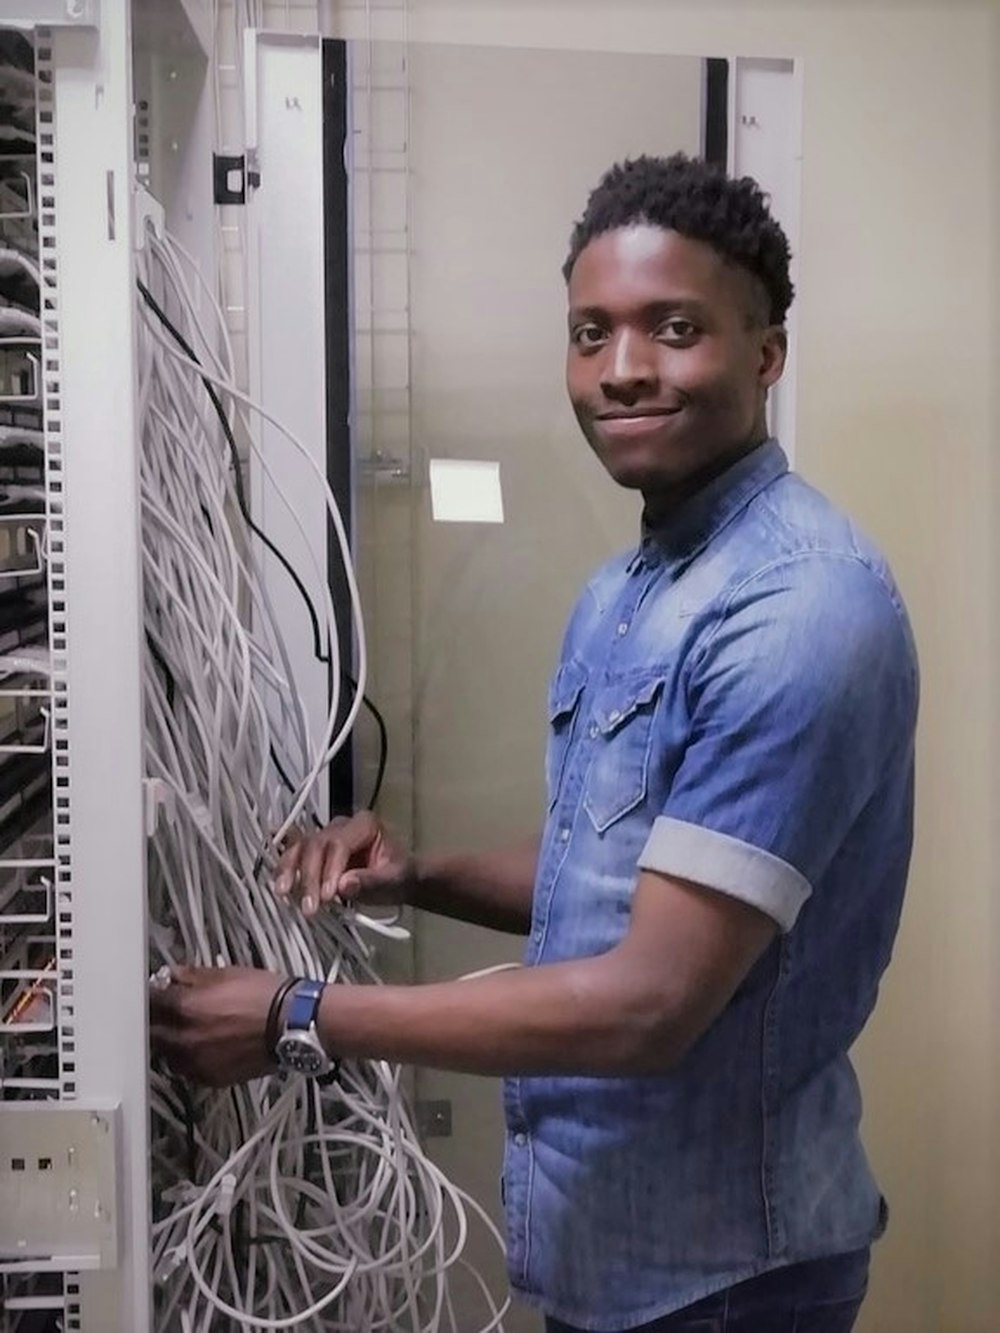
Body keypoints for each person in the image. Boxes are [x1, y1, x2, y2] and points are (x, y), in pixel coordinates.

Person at [151, 153, 918, 1332]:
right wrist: (419, 872)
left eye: (674, 329)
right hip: (611, 1253)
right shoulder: (630, 586)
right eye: (589, 332)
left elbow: (648, 999)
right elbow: (617, 883)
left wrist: (291, 1018)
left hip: (719, 1281)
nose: (621, 370)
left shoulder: (801, 607)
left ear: (764, 355)